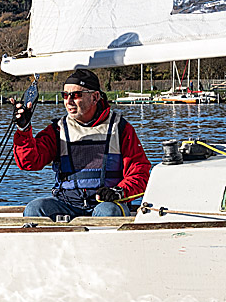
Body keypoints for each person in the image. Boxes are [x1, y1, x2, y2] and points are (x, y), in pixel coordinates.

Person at [11, 69, 151, 220]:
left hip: (107, 203)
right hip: (67, 203)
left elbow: (140, 174)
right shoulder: (58, 130)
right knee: (34, 209)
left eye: (75, 95)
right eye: (65, 95)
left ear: (95, 97)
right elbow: (29, 162)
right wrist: (23, 130)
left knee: (107, 212)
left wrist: (119, 192)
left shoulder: (121, 128)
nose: (68, 101)